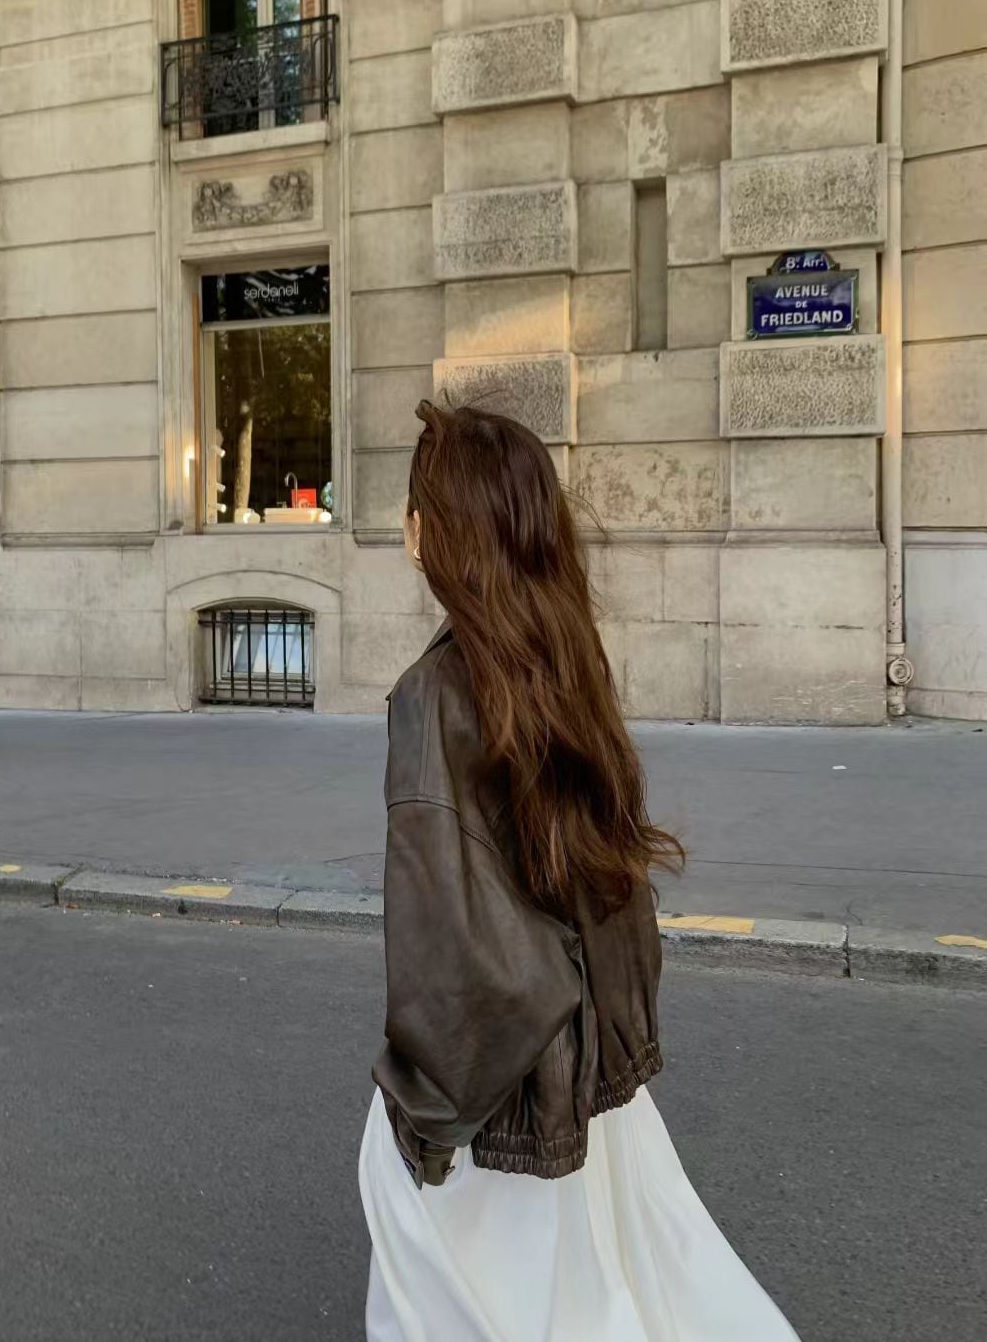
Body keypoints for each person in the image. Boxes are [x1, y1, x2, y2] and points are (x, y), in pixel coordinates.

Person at [358, 400, 801, 1342]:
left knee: (452, 1289)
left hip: (498, 1091)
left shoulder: (433, 695)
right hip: (587, 1071)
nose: (406, 523)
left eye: (415, 505)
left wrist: (425, 1119)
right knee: (619, 1291)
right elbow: (610, 888)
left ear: (433, 531)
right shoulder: (563, 659)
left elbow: (455, 949)